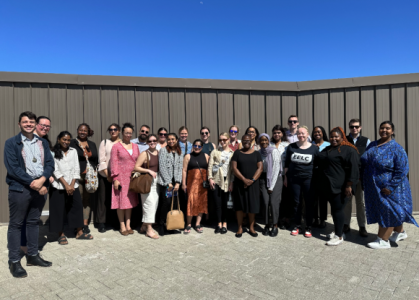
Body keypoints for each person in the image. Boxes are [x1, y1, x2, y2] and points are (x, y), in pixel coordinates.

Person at [4, 111, 54, 278]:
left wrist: (43, 179)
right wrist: (35, 184)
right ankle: (14, 261)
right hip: (20, 188)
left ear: (35, 124)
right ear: (19, 124)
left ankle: (32, 256)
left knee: (33, 222)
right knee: (16, 224)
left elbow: (49, 163)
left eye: (31, 122)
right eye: (25, 122)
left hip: (40, 188)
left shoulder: (42, 142)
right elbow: (13, 169)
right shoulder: (11, 143)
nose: (28, 124)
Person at [361, 121, 418, 249]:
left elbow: (403, 169)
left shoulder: (396, 148)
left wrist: (391, 187)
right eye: (382, 128)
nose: (384, 130)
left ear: (392, 131)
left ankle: (383, 240)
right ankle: (400, 232)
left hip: (390, 188)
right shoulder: (372, 144)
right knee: (388, 210)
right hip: (374, 187)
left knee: (388, 211)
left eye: (387, 128)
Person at [317, 127, 360, 246]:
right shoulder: (329, 148)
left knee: (338, 210)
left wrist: (349, 185)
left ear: (342, 137)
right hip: (329, 186)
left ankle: (339, 236)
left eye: (336, 136)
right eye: (332, 137)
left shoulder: (349, 150)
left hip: (341, 187)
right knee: (335, 210)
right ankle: (338, 231)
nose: (334, 139)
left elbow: (354, 169)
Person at [49, 131, 93, 245]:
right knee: (58, 210)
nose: (66, 142)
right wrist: (66, 185)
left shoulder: (73, 151)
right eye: (64, 139)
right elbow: (55, 170)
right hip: (58, 186)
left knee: (77, 207)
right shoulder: (53, 152)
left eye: (68, 140)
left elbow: (76, 168)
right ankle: (61, 234)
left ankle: (79, 232)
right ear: (58, 139)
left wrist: (72, 185)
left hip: (73, 186)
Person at [20, 115, 54, 256]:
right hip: (29, 184)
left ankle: (31, 246)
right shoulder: (25, 141)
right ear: (36, 125)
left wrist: (47, 177)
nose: (45, 128)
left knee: (33, 217)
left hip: (43, 184)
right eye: (42, 125)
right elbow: (25, 166)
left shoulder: (44, 141)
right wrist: (39, 183)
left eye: (47, 126)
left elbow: (48, 163)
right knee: (24, 216)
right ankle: (23, 245)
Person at [284, 125, 319, 238]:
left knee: (309, 203)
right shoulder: (291, 147)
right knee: (296, 203)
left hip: (309, 179)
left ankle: (308, 226)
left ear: (307, 134)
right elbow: (286, 164)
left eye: (303, 133)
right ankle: (297, 225)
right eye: (299, 133)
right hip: (294, 179)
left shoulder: (314, 148)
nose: (301, 135)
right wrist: (285, 177)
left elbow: (318, 165)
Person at [110, 123, 140, 236]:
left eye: (130, 133)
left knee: (130, 202)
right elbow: (113, 163)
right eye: (126, 133)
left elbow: (138, 161)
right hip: (121, 178)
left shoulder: (135, 146)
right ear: (122, 133)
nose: (128, 135)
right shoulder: (116, 146)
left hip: (132, 178)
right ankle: (122, 225)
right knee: (121, 203)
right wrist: (115, 178)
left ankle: (128, 225)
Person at [231, 134, 263, 238]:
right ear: (241, 142)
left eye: (248, 140)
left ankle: (251, 227)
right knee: (240, 206)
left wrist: (252, 180)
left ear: (251, 141)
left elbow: (260, 168)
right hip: (240, 184)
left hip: (253, 184)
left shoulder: (256, 154)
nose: (246, 142)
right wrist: (244, 179)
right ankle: (240, 227)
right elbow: (234, 168)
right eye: (244, 141)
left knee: (252, 206)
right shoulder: (237, 153)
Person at [70, 123, 98, 234]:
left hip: (89, 177)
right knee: (77, 201)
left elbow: (95, 159)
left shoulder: (92, 144)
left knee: (87, 201)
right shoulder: (72, 143)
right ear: (77, 131)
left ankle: (85, 224)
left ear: (88, 132)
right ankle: (77, 224)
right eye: (81, 130)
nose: (83, 132)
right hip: (76, 176)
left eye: (85, 130)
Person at [344, 118, 370, 237]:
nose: (354, 128)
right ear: (349, 128)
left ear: (360, 127)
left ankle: (362, 226)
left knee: (360, 202)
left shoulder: (366, 141)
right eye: (352, 126)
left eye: (356, 126)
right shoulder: (344, 140)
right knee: (347, 201)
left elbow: (369, 158)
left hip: (360, 178)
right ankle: (346, 224)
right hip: (347, 178)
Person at [156, 133, 183, 236]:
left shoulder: (179, 152)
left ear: (176, 140)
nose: (171, 141)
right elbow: (162, 167)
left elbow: (180, 168)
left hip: (175, 184)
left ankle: (171, 226)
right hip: (167, 183)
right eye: (169, 139)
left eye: (173, 139)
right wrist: (169, 182)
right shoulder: (163, 151)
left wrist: (178, 182)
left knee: (174, 204)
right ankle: (161, 225)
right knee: (166, 203)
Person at [134, 134, 160, 239]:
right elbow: (136, 167)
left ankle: (144, 226)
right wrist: (148, 170)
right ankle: (149, 230)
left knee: (154, 205)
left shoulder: (159, 152)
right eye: (150, 141)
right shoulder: (145, 153)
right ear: (147, 143)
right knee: (149, 204)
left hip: (157, 182)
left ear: (157, 141)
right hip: (147, 182)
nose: (152, 142)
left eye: (154, 140)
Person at [208, 133, 234, 234]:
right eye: (220, 140)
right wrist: (210, 178)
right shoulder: (215, 152)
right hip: (216, 180)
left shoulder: (232, 153)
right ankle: (219, 223)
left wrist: (232, 182)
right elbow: (210, 166)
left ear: (228, 140)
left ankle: (225, 223)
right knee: (217, 203)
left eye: (224, 140)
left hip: (227, 181)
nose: (222, 142)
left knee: (225, 204)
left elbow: (232, 170)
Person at [97, 123, 121, 232]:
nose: (113, 131)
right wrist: (108, 175)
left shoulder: (123, 143)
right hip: (105, 175)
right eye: (111, 129)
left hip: (119, 176)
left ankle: (115, 222)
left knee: (116, 199)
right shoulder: (105, 142)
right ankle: (101, 222)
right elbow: (101, 160)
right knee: (103, 199)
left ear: (119, 131)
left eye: (115, 129)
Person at [182, 140, 210, 233]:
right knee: (191, 202)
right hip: (191, 184)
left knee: (201, 203)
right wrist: (183, 183)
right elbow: (184, 170)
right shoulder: (188, 156)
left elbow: (209, 169)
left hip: (203, 185)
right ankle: (188, 224)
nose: (197, 147)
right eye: (195, 145)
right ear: (193, 146)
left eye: (199, 146)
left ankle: (197, 224)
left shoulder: (206, 156)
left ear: (202, 147)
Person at [258, 133, 283, 237]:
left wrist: (271, 186)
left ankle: (275, 225)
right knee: (265, 202)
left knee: (273, 202)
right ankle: (267, 224)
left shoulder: (274, 151)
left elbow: (276, 168)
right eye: (262, 140)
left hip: (276, 179)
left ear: (268, 141)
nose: (264, 142)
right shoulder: (259, 152)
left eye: (266, 140)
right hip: (263, 179)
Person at [311, 126, 330, 228]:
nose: (317, 133)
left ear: (323, 133)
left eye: (319, 132)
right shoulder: (310, 145)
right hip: (313, 174)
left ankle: (323, 219)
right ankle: (315, 218)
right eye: (315, 132)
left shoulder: (328, 144)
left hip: (324, 174)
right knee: (313, 198)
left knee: (323, 198)